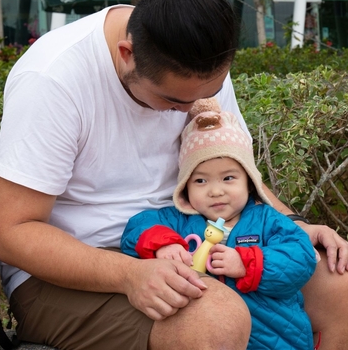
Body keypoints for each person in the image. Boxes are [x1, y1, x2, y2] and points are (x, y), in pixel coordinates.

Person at [0, 0, 348, 350]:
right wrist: (128, 274)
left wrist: (293, 224)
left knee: (343, 285)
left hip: (193, 235)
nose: (192, 110)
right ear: (127, 55)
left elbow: (231, 168)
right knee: (215, 321)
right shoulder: (53, 80)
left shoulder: (195, 64)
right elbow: (12, 233)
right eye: (173, 101)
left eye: (207, 93)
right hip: (71, 271)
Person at [121, 98, 318, 349]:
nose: (215, 191)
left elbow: (301, 257)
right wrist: (164, 245)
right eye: (200, 181)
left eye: (228, 178)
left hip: (276, 337)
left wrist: (247, 263)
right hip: (211, 333)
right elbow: (137, 227)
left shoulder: (267, 220)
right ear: (185, 186)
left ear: (249, 181)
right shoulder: (178, 220)